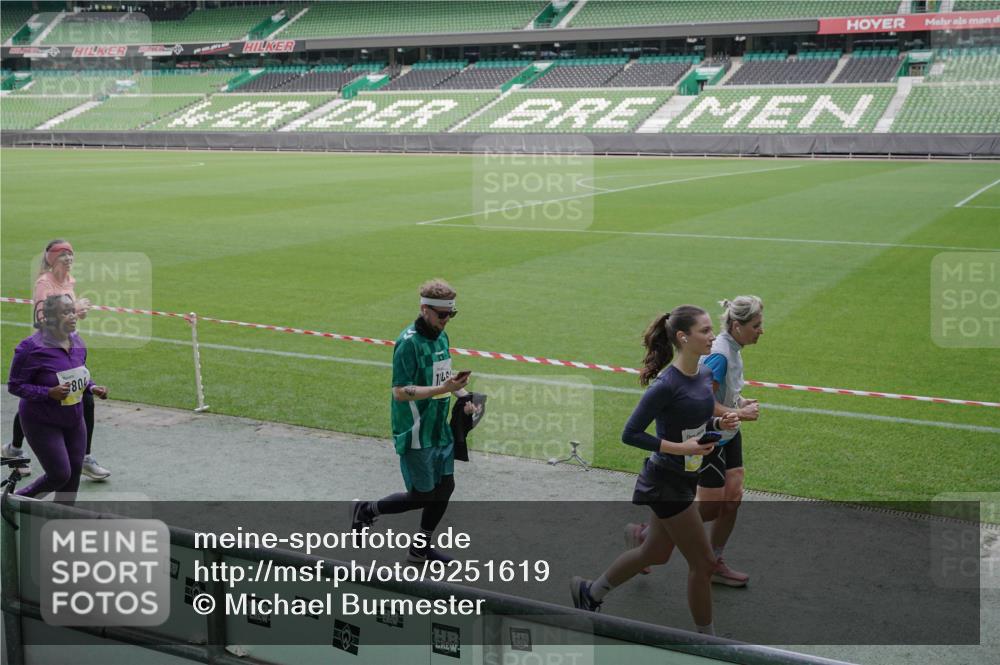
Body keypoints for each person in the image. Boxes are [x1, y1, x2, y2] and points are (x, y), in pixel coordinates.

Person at [571, 305, 738, 636]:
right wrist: (683, 449)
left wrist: (720, 421)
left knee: (656, 553)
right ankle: (708, 642)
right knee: (703, 564)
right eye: (705, 331)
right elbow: (630, 434)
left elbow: (693, 421)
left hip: (686, 478)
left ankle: (590, 592)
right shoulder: (665, 384)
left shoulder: (704, 375)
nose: (712, 336)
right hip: (665, 483)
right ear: (683, 337)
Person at [624, 296, 764, 587]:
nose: (761, 330)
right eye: (756, 325)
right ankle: (648, 534)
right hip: (709, 437)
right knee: (711, 507)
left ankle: (714, 560)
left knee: (733, 496)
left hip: (729, 432)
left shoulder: (733, 349)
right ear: (737, 326)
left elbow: (719, 395)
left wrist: (737, 401)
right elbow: (704, 403)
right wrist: (737, 411)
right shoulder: (719, 355)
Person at [350, 279, 479, 563]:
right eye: (442, 315)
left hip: (439, 429)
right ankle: (367, 510)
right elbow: (399, 392)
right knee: (422, 495)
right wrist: (441, 390)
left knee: (445, 487)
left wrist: (463, 394)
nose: (446, 321)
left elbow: (443, 377)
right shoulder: (407, 343)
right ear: (424, 310)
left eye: (451, 315)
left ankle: (420, 547)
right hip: (415, 430)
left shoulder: (442, 338)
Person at [2, 240, 109, 480]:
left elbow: (66, 312)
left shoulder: (69, 281)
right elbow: (40, 319)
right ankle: (83, 457)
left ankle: (15, 449)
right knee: (51, 399)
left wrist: (74, 312)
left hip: (70, 344)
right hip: (47, 348)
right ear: (52, 259)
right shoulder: (44, 283)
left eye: (71, 255)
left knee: (84, 394)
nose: (69, 259)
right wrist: (75, 309)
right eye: (63, 256)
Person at [7, 294, 108, 503]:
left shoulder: (77, 341)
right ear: (50, 318)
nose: (73, 316)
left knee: (71, 484)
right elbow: (15, 385)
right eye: (66, 312)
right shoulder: (30, 348)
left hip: (74, 420)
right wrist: (48, 393)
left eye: (73, 311)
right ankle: (13, 502)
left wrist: (93, 387)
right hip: (41, 421)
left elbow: (80, 373)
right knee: (60, 474)